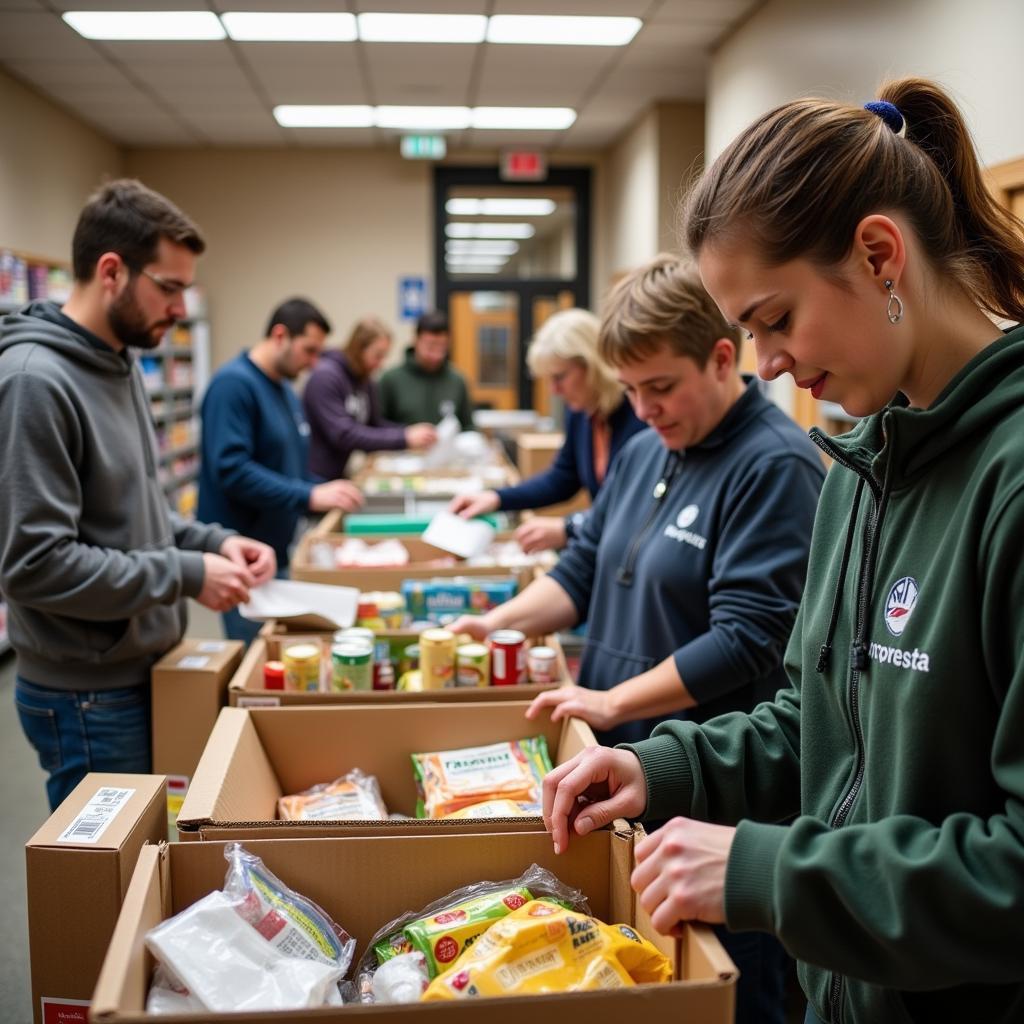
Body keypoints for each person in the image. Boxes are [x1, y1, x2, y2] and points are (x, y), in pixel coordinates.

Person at [541, 79, 1024, 1024]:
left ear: (880, 255)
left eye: (773, 319)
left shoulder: (1007, 478)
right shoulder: (859, 456)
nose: (763, 364)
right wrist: (666, 767)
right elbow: (820, 716)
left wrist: (767, 868)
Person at [452, 254, 824, 1024]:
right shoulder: (644, 448)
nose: (645, 408)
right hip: (628, 774)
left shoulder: (773, 465)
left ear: (724, 358)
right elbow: (584, 567)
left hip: (715, 796)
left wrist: (610, 695)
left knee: (729, 989)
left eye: (661, 386)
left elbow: (747, 639)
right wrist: (495, 625)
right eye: (629, 390)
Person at [0, 179, 276, 811]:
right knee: (114, 888)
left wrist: (215, 541)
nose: (180, 308)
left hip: (140, 670)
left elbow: (135, 518)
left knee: (156, 855)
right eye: (170, 287)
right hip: (86, 694)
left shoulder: (118, 362)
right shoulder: (34, 384)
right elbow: (34, 566)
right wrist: (186, 573)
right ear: (111, 271)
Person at [197, 297, 363, 642]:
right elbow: (232, 470)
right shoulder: (234, 385)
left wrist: (327, 489)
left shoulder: (286, 392)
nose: (314, 363)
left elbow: (288, 470)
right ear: (280, 335)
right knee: (254, 659)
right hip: (243, 558)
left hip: (276, 551)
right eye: (309, 350)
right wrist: (309, 494)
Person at [449, 308, 646, 553]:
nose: (554, 390)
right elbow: (563, 478)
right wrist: (497, 498)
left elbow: (635, 506)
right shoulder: (581, 413)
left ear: (592, 365)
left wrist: (568, 527)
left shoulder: (640, 416)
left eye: (560, 377)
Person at [303, 315, 437, 479]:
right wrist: (404, 438)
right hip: (315, 476)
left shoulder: (365, 380)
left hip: (339, 474)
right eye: (377, 355)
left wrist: (409, 432)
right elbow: (343, 435)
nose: (380, 363)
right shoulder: (326, 377)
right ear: (359, 348)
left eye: (384, 356)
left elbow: (374, 425)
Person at [378, 310, 474, 429]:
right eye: (430, 346)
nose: (436, 354)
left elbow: (468, 426)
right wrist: (406, 436)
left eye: (442, 346)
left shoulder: (457, 380)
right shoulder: (390, 380)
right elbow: (377, 426)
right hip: (402, 447)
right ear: (415, 340)